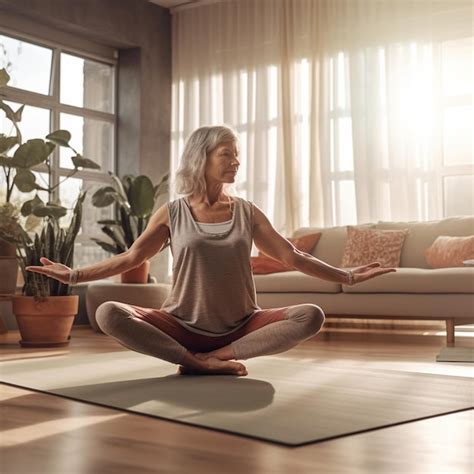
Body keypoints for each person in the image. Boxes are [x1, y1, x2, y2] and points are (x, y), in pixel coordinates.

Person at [26, 125, 396, 377]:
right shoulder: (172, 212)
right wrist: (74, 275)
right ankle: (195, 362)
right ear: (202, 157)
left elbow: (292, 257)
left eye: (237, 155)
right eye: (227, 154)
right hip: (181, 324)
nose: (236, 161)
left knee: (310, 316)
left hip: (241, 326)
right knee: (108, 312)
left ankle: (216, 358)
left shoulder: (247, 212)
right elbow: (132, 258)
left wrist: (346, 276)